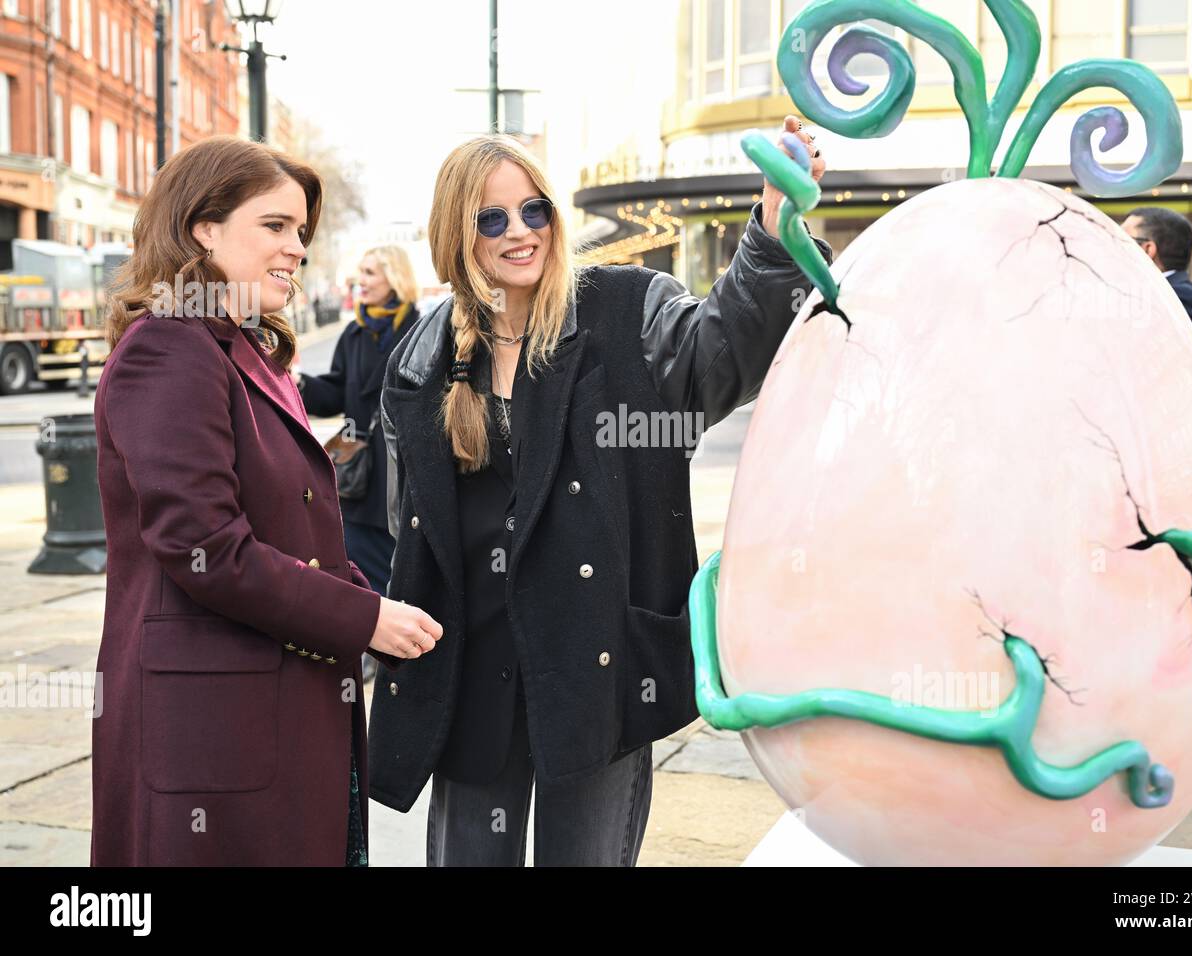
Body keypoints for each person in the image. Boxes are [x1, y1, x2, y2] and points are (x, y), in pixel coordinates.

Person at [369, 117, 829, 866]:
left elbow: (725, 350)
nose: (520, 232)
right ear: (457, 235)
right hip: (471, 671)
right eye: (492, 218)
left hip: (595, 664)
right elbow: (408, 521)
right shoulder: (421, 359)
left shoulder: (627, 311)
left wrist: (773, 224)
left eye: (534, 209)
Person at [91, 136, 441, 866]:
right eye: (275, 226)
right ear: (203, 228)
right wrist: (363, 616)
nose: (297, 249)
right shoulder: (170, 347)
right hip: (213, 733)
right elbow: (207, 550)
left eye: (302, 233)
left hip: (264, 715)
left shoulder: (238, 347)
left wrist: (371, 603)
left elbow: (289, 530)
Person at [295, 245, 420, 681]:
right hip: (356, 467)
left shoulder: (418, 329)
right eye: (359, 273)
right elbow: (334, 392)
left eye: (369, 273)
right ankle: (370, 641)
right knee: (357, 553)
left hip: (399, 464)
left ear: (394, 277)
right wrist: (297, 381)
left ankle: (403, 639)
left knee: (397, 556)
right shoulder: (352, 334)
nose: (360, 281)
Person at [1122, 206, 1192, 343]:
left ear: (1148, 250)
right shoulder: (1175, 292)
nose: (1115, 248)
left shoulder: (1180, 297)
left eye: (1122, 240)